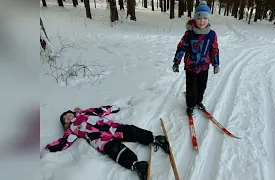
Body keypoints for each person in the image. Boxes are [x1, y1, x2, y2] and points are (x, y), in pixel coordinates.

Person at [40, 105, 170, 180]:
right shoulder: (72, 130)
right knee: (115, 150)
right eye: (65, 119)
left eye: (67, 114)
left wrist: (114, 108)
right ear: (66, 124)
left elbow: (101, 110)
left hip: (111, 127)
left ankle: (154, 139)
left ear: (71, 112)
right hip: (100, 140)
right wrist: (48, 149)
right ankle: (136, 165)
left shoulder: (86, 112)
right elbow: (63, 142)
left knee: (131, 131)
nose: (67, 117)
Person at [172, 1, 220, 116]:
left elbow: (214, 49)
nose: (202, 21)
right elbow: (181, 47)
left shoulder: (211, 34)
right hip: (191, 67)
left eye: (205, 18)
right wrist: (176, 62)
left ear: (208, 19)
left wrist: (216, 64)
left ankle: (198, 101)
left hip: (204, 66)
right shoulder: (189, 34)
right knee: (191, 88)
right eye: (199, 18)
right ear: (195, 19)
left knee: (202, 86)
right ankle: (190, 104)